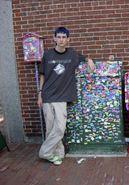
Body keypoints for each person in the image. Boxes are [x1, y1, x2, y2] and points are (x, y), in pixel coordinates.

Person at [37, 27, 95, 165]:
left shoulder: (72, 54)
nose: (61, 39)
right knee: (50, 128)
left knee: (60, 128)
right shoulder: (47, 55)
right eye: (59, 37)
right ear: (54, 38)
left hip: (61, 97)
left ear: (68, 39)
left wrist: (89, 60)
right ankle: (56, 154)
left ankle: (44, 152)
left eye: (64, 37)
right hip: (47, 95)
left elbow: (85, 59)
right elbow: (42, 75)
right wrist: (40, 94)